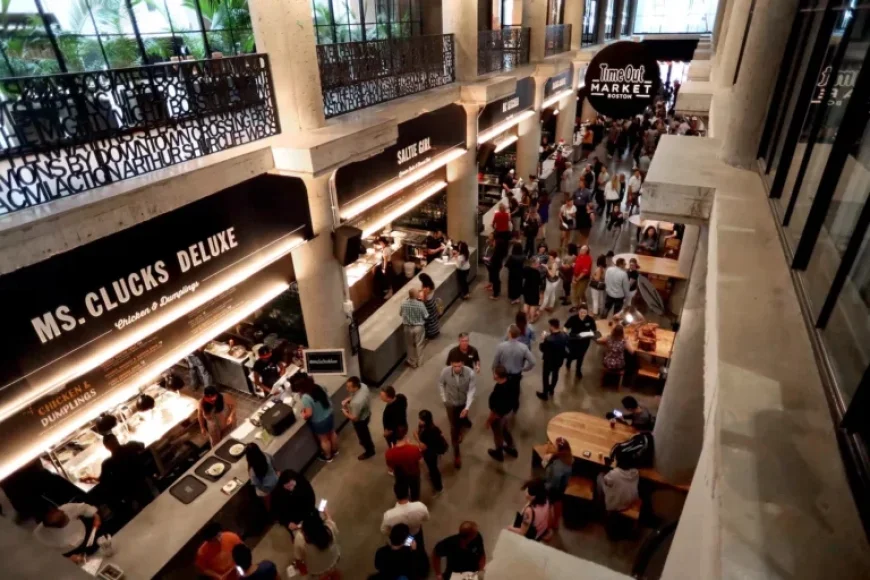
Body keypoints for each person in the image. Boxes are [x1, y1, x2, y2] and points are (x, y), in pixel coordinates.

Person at [99, 434, 155, 517]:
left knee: (141, 515)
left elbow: (103, 480)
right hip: (142, 483)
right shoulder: (131, 445)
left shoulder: (108, 464)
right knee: (153, 504)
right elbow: (142, 445)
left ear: (107, 448)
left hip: (128, 493)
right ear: (117, 440)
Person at [438, 354, 477, 469]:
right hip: (451, 404)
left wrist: (467, 407)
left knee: (463, 416)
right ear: (451, 365)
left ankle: (464, 420)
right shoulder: (445, 372)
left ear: (463, 364)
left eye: (459, 366)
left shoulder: (470, 373)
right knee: (453, 428)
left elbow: (472, 390)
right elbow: (441, 384)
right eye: (455, 366)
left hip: (464, 402)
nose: (457, 369)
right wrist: (444, 399)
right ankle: (457, 455)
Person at [292, 373, 338, 462]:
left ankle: (328, 456)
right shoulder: (318, 386)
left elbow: (309, 413)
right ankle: (335, 450)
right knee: (332, 433)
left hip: (320, 421)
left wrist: (303, 414)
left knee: (324, 440)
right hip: (329, 414)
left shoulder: (306, 397)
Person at [34, 502, 102, 562]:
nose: (67, 520)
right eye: (61, 523)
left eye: (65, 516)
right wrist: (68, 559)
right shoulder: (38, 535)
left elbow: (85, 508)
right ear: (48, 526)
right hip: (72, 552)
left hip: (86, 534)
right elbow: (45, 557)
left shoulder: (66, 508)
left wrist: (96, 517)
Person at [493, 324, 536, 413]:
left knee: (503, 391)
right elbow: (533, 362)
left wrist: (494, 372)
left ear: (509, 334)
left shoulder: (501, 346)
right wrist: (524, 369)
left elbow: (495, 362)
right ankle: (515, 407)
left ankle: (504, 407)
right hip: (516, 375)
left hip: (503, 374)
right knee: (515, 391)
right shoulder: (523, 347)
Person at [293, 510, 341, 579]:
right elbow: (329, 520)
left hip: (317, 569)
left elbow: (298, 559)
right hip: (333, 558)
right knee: (335, 573)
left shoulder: (300, 538)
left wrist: (302, 570)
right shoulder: (329, 527)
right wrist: (326, 512)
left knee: (323, 577)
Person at [381, 481, 430, 546]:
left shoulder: (389, 516)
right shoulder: (420, 506)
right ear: (409, 492)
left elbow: (384, 530)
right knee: (420, 546)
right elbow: (427, 518)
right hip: (416, 532)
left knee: (408, 548)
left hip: (403, 538)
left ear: (396, 494)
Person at [486, 365, 518, 462]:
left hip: (499, 416)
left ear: (497, 376)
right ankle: (511, 448)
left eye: (494, 374)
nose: (493, 375)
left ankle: (498, 453)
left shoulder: (499, 390)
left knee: (498, 434)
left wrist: (489, 420)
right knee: (505, 430)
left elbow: (495, 410)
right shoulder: (511, 383)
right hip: (507, 413)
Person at [271, 470, 316, 535]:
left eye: (292, 484)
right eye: (288, 486)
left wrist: (311, 512)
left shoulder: (302, 482)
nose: (291, 488)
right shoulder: (277, 493)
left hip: (307, 513)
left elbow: (311, 497)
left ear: (295, 480)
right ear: (282, 484)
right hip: (292, 520)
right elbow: (276, 512)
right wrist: (287, 523)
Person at [541, 437, 573, 529]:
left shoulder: (558, 466)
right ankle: (556, 523)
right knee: (558, 504)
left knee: (548, 506)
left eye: (555, 446)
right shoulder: (568, 458)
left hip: (553, 487)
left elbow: (553, 482)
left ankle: (549, 524)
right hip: (562, 487)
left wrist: (546, 487)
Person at [341, 376, 375, 460]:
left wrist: (345, 412)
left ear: (355, 387)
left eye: (349, 387)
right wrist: (348, 399)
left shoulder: (356, 403)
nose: (347, 389)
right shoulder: (363, 386)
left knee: (364, 435)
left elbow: (355, 418)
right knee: (365, 433)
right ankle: (366, 443)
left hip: (360, 420)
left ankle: (369, 451)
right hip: (367, 413)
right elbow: (354, 395)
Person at [386, 425, 424, 500]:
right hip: (414, 473)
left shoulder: (389, 453)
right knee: (415, 490)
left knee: (403, 490)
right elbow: (421, 462)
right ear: (405, 436)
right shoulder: (414, 449)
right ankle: (415, 501)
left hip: (400, 476)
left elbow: (390, 469)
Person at [415, 409, 446, 494]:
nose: (419, 421)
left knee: (433, 469)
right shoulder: (425, 426)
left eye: (421, 419)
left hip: (430, 453)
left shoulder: (431, 431)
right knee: (432, 468)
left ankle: (439, 487)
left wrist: (419, 441)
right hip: (428, 450)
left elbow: (423, 445)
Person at [537, 319, 569, 400]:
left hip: (549, 361)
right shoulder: (564, 335)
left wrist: (543, 339)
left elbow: (543, 348)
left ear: (552, 326)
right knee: (555, 374)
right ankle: (551, 389)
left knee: (546, 376)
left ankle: (545, 394)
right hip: (559, 360)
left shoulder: (549, 340)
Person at [564, 303, 596, 378]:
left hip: (584, 341)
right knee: (571, 354)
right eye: (581, 312)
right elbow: (565, 327)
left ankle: (578, 370)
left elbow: (594, 329)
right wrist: (565, 334)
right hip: (573, 340)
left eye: (585, 313)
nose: (583, 314)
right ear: (578, 311)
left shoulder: (590, 319)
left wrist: (591, 333)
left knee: (581, 356)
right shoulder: (573, 318)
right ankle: (568, 362)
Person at [400, 288, 428, 368]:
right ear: (416, 295)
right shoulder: (420, 304)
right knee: (419, 344)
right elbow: (426, 315)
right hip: (418, 327)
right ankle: (420, 362)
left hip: (407, 328)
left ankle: (412, 362)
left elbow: (400, 313)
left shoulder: (403, 303)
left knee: (409, 345)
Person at [381, 385, 409, 450]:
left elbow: (395, 423)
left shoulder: (391, 410)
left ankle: (395, 452)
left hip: (396, 431)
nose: (380, 397)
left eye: (382, 396)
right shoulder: (401, 397)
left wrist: (388, 432)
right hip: (403, 424)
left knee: (393, 444)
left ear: (388, 398)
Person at [419, 273, 441, 340]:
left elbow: (424, 300)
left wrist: (420, 297)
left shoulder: (426, 289)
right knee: (433, 318)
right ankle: (436, 331)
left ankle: (431, 334)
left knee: (429, 320)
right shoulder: (431, 284)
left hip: (428, 304)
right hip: (432, 302)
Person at [571, 245, 592, 311]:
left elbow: (584, 271)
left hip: (583, 279)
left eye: (583, 249)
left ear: (586, 251)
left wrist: (577, 279)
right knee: (575, 292)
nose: (580, 250)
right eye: (581, 249)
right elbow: (576, 265)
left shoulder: (588, 259)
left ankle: (579, 306)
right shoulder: (579, 256)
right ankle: (578, 305)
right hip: (576, 276)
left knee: (578, 293)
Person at [522, 257, 542, 323]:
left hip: (526, 289)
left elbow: (523, 276)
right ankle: (532, 319)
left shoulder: (525, 268)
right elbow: (539, 283)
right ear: (534, 264)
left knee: (526, 303)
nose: (539, 265)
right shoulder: (537, 273)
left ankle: (526, 317)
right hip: (534, 290)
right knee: (533, 305)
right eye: (538, 263)